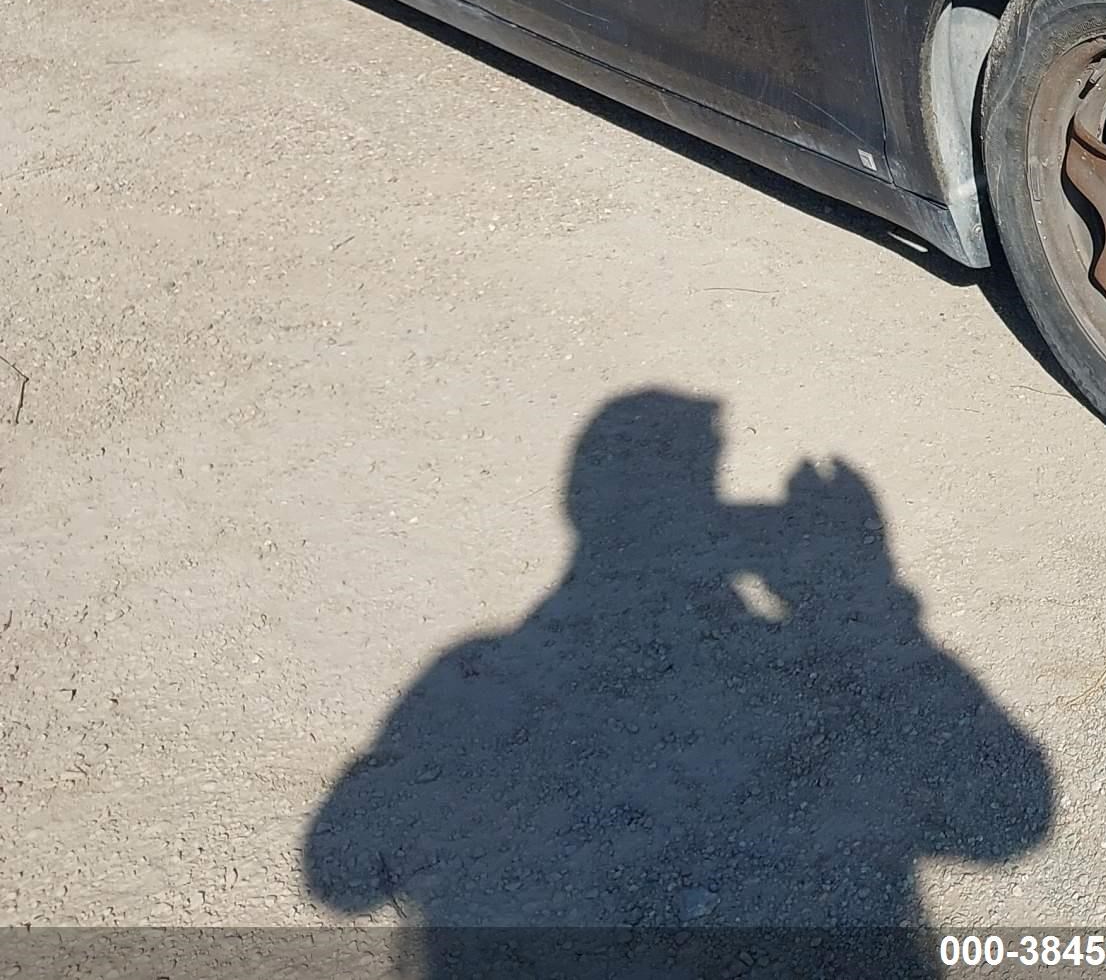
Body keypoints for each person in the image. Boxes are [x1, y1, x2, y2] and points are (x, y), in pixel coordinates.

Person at [305, 391, 1052, 976]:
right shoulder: (780, 654)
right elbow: (1014, 816)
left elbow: (339, 874)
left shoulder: (471, 673)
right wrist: (873, 600)